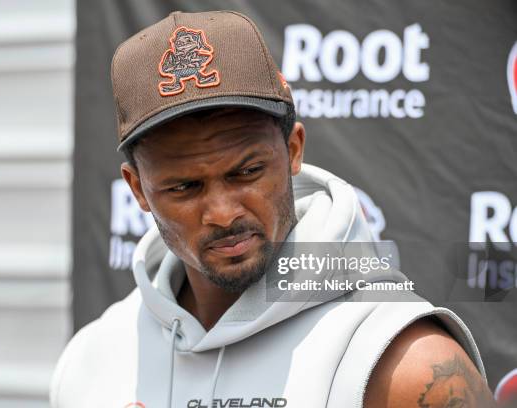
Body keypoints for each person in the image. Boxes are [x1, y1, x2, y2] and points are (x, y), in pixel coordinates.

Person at [50, 10, 495, 408]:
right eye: (185, 186)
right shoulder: (93, 359)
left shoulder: (405, 365)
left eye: (246, 172)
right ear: (138, 190)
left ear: (294, 149)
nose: (222, 213)